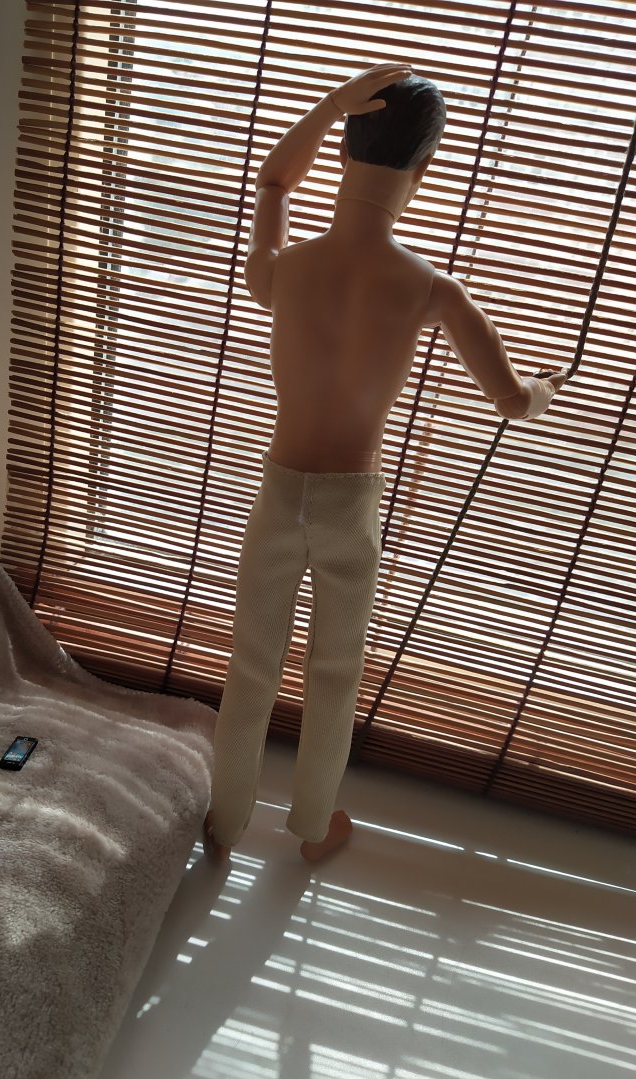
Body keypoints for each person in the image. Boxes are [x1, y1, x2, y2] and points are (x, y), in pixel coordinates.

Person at [203, 63, 569, 865]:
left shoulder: (284, 271)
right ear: (424, 167)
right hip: (350, 505)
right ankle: (311, 828)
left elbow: (272, 180)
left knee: (252, 665)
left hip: (279, 493)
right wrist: (547, 385)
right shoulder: (431, 289)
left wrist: (330, 102)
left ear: (342, 150)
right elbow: (512, 401)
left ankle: (224, 824)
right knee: (335, 672)